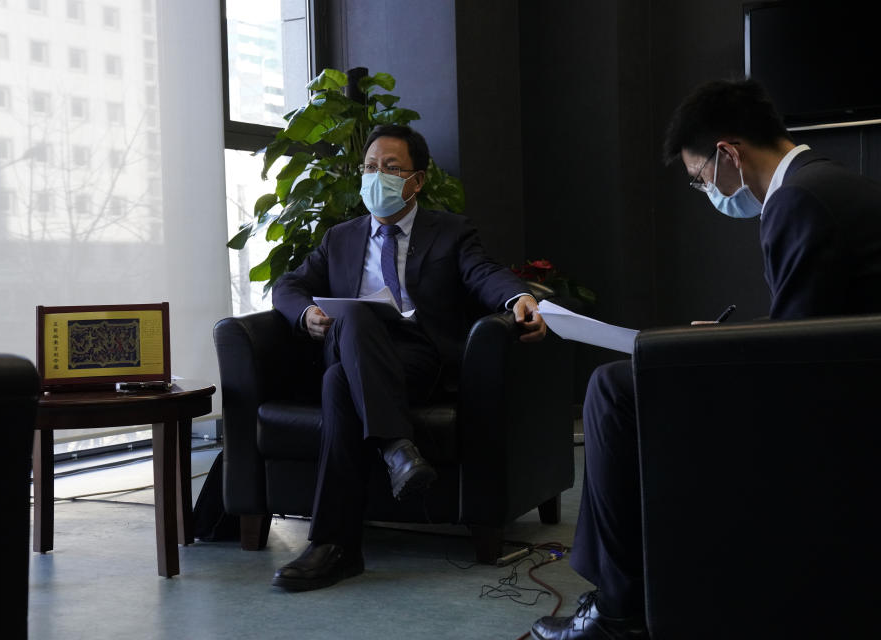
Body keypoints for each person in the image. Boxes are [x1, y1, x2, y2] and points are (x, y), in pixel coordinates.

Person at [530, 78, 881, 640]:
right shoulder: (831, 184)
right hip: (850, 387)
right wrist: (723, 342)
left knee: (612, 389)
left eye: (699, 180)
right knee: (636, 377)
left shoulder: (796, 201)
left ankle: (618, 611)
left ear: (728, 154)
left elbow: (803, 361)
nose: (707, 192)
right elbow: (817, 325)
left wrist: (713, 354)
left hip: (833, 415)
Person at [269, 124, 547, 592]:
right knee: (356, 320)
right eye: (370, 167)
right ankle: (396, 447)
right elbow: (288, 285)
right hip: (351, 343)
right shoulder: (339, 238)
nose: (378, 176)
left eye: (391, 168)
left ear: (417, 180)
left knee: (338, 385)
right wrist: (306, 315)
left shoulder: (450, 231)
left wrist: (518, 296)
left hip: (416, 359)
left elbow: (483, 274)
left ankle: (334, 548)